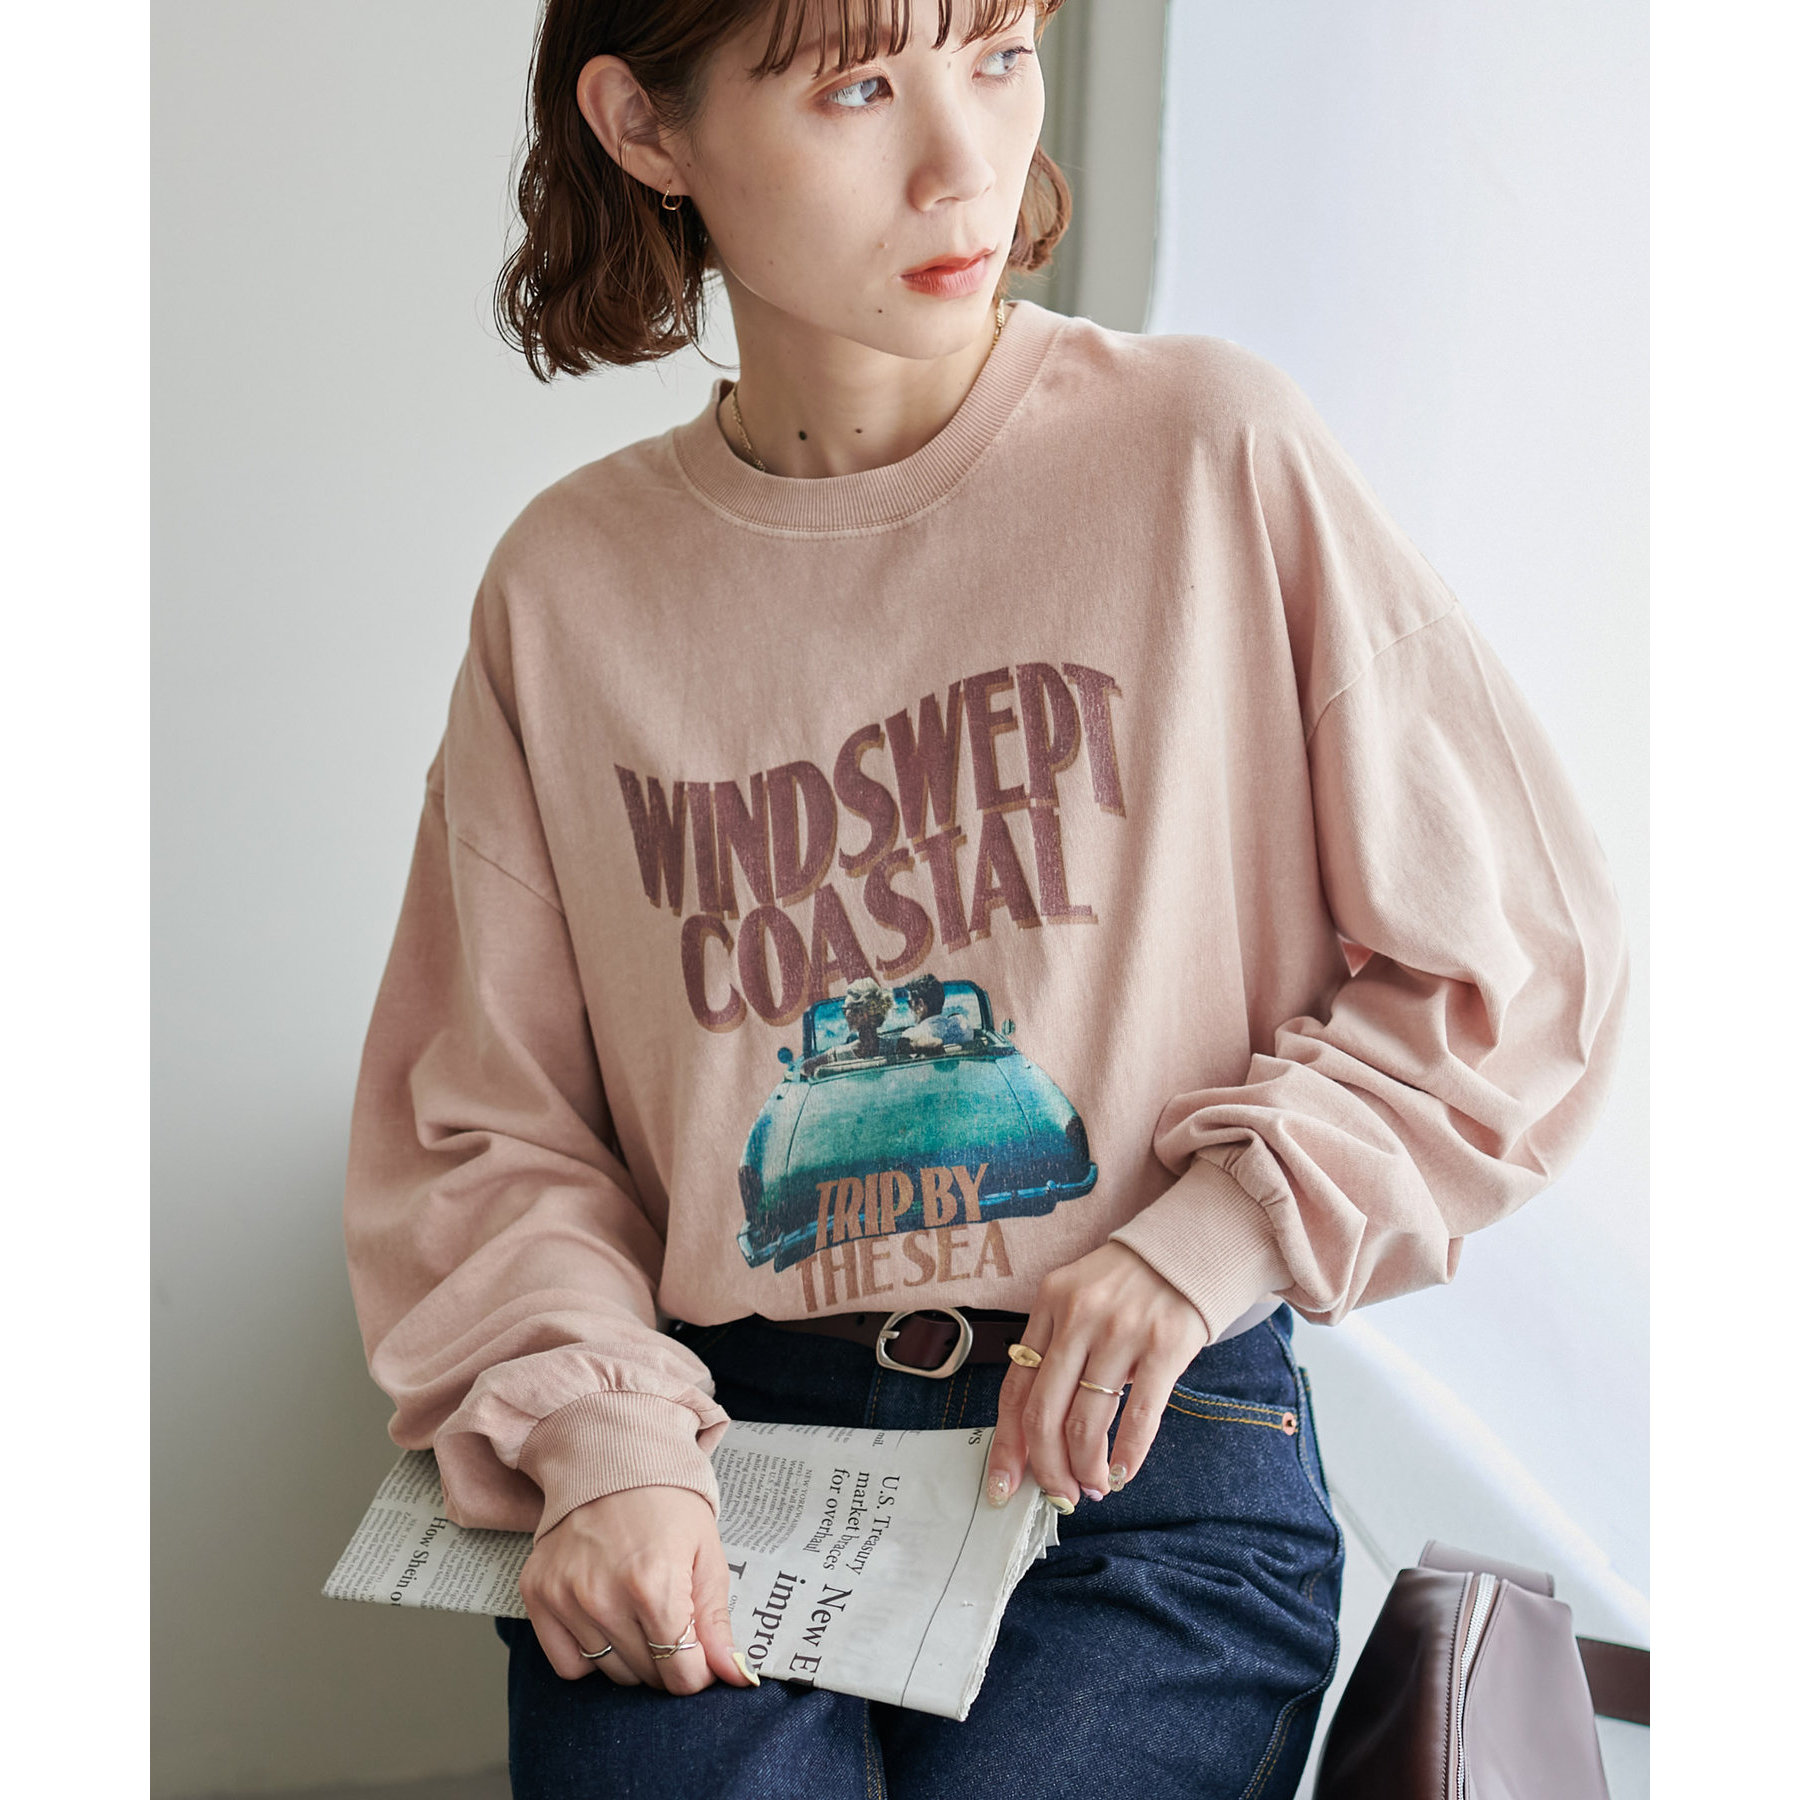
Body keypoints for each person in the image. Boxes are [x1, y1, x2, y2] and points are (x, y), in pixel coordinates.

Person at [340, 3, 1629, 1796]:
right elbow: (487, 1128)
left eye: (1002, 52)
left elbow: (1514, 967)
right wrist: (605, 1440)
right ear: (645, 127)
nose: (966, 163)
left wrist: (1208, 1242)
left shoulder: (1207, 451)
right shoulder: (569, 590)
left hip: (1143, 1464)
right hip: (714, 1451)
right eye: (861, 87)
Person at [896, 970, 974, 1053]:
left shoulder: (911, 1035)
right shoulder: (963, 1026)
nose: (909, 1008)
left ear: (921, 1005)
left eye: (909, 1003)